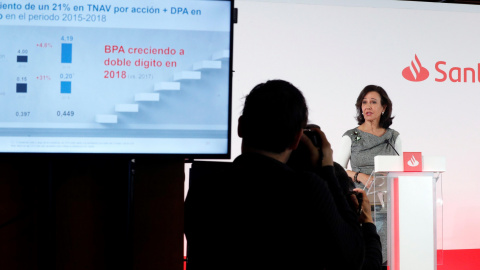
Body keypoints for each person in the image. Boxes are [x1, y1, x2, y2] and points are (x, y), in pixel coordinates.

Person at [185, 80, 375, 270]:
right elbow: (353, 258)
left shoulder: (204, 187)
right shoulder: (306, 189)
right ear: (296, 139)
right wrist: (327, 169)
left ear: (240, 126)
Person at [336, 85, 402, 188]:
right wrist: (360, 176)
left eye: (373, 102)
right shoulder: (351, 136)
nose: (368, 106)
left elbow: (401, 170)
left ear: (383, 107)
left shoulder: (393, 137)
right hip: (360, 199)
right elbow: (337, 169)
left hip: (389, 197)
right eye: (364, 102)